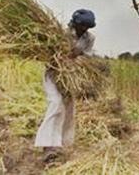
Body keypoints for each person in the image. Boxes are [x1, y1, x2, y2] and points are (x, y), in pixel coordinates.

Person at [34, 9, 96, 164]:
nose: (84, 30)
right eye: (82, 26)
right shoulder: (61, 33)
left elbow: (86, 57)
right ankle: (48, 146)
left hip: (71, 75)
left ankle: (61, 143)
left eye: (87, 27)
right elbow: (50, 53)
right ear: (75, 23)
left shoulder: (90, 38)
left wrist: (77, 55)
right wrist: (63, 57)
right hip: (54, 73)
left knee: (69, 107)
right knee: (56, 103)